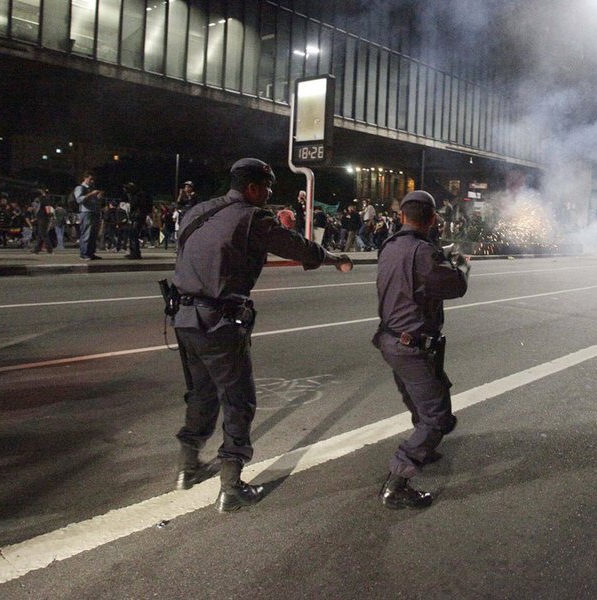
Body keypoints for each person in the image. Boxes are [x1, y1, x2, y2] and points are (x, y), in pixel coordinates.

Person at [170, 158, 353, 512]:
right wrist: (333, 258)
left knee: (201, 393)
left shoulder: (197, 212)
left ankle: (187, 467)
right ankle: (231, 487)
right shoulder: (252, 218)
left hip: (183, 317)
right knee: (238, 399)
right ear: (253, 188)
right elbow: (298, 246)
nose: (268, 195)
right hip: (219, 322)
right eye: (267, 188)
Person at [372, 190, 469, 509]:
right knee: (437, 417)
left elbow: (413, 272)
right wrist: (460, 266)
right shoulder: (424, 253)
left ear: (402, 217)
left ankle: (422, 447)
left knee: (421, 396)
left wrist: (439, 254)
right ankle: (398, 482)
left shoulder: (390, 245)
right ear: (432, 220)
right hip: (410, 346)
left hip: (389, 340)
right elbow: (455, 287)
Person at [74, 171, 104, 260]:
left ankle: (91, 252)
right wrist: (91, 194)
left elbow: (95, 202)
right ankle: (84, 254)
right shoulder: (80, 188)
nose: (92, 181)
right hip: (86, 212)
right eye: (90, 179)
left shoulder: (92, 189)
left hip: (94, 212)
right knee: (86, 233)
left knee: (93, 234)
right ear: (85, 178)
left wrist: (98, 197)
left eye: (93, 179)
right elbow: (79, 199)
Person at [123, 182, 152, 259]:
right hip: (139, 216)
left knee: (133, 234)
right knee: (133, 234)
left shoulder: (138, 195)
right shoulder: (140, 194)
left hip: (137, 216)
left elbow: (134, 204)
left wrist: (130, 196)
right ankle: (134, 252)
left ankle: (135, 253)